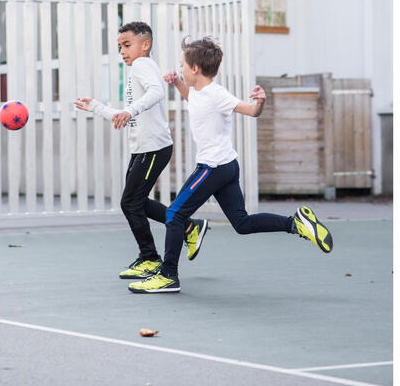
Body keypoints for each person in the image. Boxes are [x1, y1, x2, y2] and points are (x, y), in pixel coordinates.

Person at [129, 36, 333, 294]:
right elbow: (194, 102)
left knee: (174, 215)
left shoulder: (217, 94)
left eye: (182, 65)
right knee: (242, 223)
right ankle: (296, 223)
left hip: (212, 168)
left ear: (195, 68)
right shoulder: (199, 91)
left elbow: (250, 111)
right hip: (226, 166)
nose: (179, 68)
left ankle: (168, 275)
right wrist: (177, 83)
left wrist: (260, 102)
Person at [74, 21, 208, 279]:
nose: (123, 51)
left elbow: (157, 92)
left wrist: (130, 110)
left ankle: (150, 257)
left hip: (153, 148)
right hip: (145, 149)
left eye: (127, 45)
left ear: (145, 45)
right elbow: (127, 115)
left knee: (130, 202)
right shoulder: (139, 69)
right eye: (119, 47)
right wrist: (97, 107)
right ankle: (190, 226)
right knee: (137, 202)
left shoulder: (142, 65)